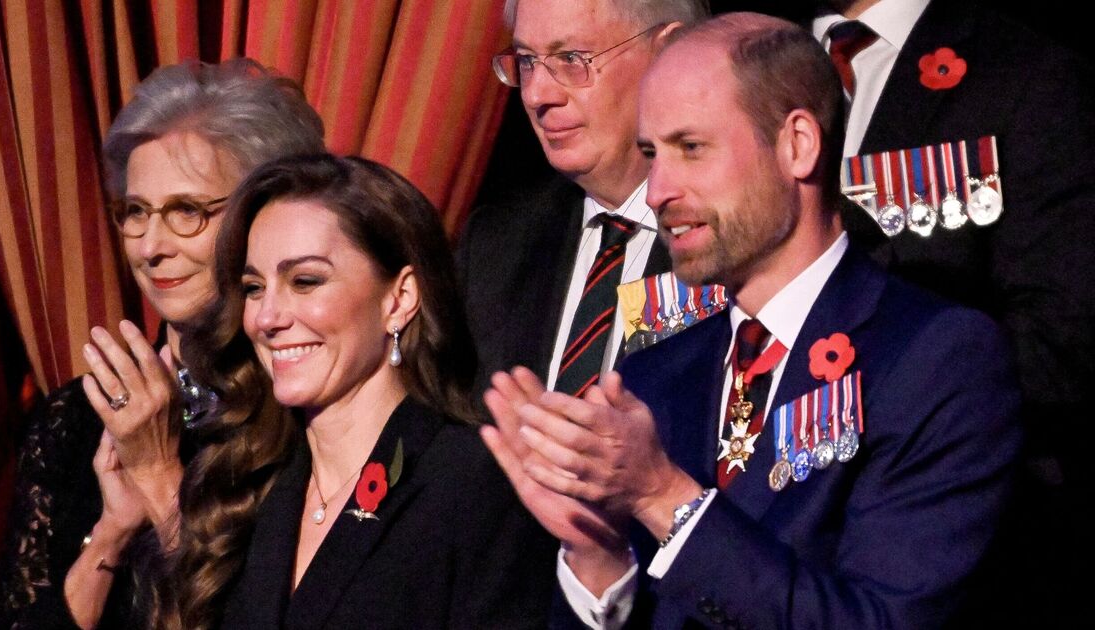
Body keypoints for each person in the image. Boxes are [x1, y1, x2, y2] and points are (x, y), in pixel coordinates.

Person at [482, 13, 1021, 628]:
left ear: (797, 144)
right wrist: (596, 554)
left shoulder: (934, 357)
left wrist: (664, 497)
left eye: (691, 148)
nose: (657, 190)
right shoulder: (652, 376)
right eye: (651, 154)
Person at [0, 59, 325, 629]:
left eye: (187, 212)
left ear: (266, 215)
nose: (150, 247)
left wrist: (158, 476)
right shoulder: (75, 420)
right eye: (136, 213)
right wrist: (110, 538)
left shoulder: (306, 417)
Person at [158, 154, 555, 629]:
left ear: (400, 298)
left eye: (305, 282)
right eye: (254, 287)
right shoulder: (250, 482)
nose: (267, 318)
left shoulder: (472, 482)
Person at [811, 0, 1095, 620]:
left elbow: (1062, 338)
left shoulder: (1023, 76)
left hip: (951, 539)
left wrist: (849, 415)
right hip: (756, 528)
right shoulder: (745, 56)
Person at [456, 0, 709, 398]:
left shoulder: (745, 235)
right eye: (525, 61)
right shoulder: (496, 245)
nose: (537, 95)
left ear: (670, 54)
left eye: (571, 58)